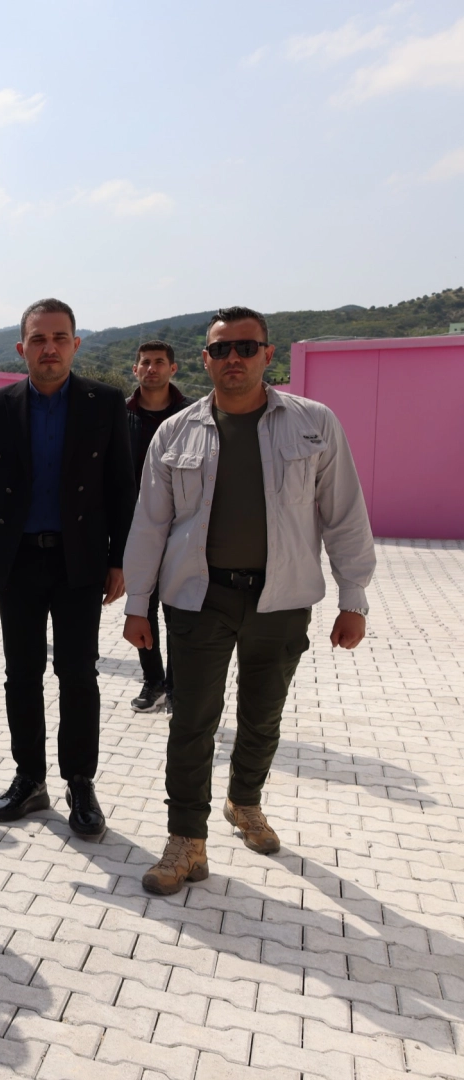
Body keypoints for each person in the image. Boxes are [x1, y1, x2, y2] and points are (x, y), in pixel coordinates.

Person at [127, 306, 375, 896]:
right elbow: (150, 523)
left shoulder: (313, 423)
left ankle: (244, 802)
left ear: (268, 354)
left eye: (245, 347)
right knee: (192, 720)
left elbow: (344, 514)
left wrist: (354, 597)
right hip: (199, 597)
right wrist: (138, 602)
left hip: (281, 598)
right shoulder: (176, 432)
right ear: (206, 359)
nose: (232, 358)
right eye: (221, 349)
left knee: (262, 715)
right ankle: (186, 840)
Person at [0, 298, 134, 841]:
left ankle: (80, 782)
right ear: (22, 348)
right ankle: (30, 778)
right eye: (38, 339)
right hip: (18, 560)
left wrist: (121, 559)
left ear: (76, 344)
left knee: (78, 674)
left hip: (81, 561)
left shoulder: (105, 403)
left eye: (58, 338)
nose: (48, 348)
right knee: (22, 674)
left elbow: (122, 487)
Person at [124, 341, 190, 715]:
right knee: (142, 606)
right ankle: (154, 681)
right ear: (135, 369)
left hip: (183, 529)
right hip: (137, 530)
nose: (152, 368)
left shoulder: (193, 415)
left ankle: (178, 687)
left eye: (159, 362)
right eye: (145, 362)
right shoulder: (121, 416)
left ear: (172, 368)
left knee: (179, 611)